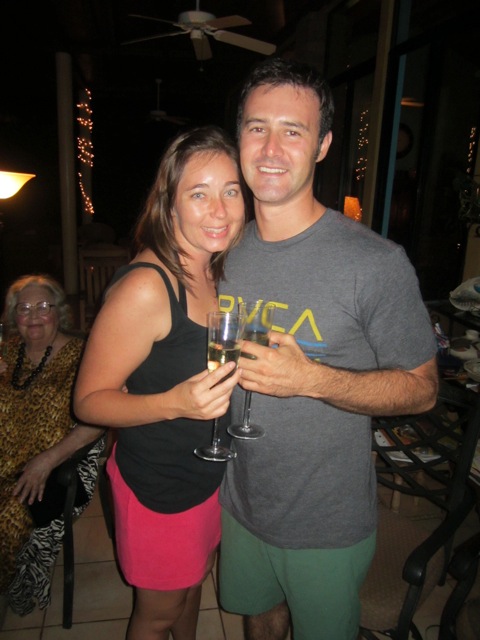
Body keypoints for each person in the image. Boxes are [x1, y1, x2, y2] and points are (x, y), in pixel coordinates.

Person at [217, 57, 439, 640]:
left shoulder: (375, 263)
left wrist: (312, 379)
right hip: (240, 501)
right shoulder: (223, 250)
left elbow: (422, 391)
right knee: (259, 621)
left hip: (326, 522)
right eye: (257, 127)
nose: (271, 149)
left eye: (293, 131)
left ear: (323, 146)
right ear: (239, 138)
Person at [73, 125, 246, 640]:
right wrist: (175, 402)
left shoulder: (213, 270)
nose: (220, 210)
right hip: (159, 487)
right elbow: (88, 402)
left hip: (205, 477)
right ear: (169, 206)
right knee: (156, 616)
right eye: (199, 194)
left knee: (192, 588)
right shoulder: (148, 287)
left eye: (231, 191)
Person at [0, 274, 104, 616]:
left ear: (59, 312)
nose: (33, 316)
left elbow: (98, 419)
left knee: (6, 519)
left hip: (52, 467)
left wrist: (47, 460)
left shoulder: (84, 356)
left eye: (43, 306)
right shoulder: (5, 351)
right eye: (24, 308)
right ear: (13, 315)